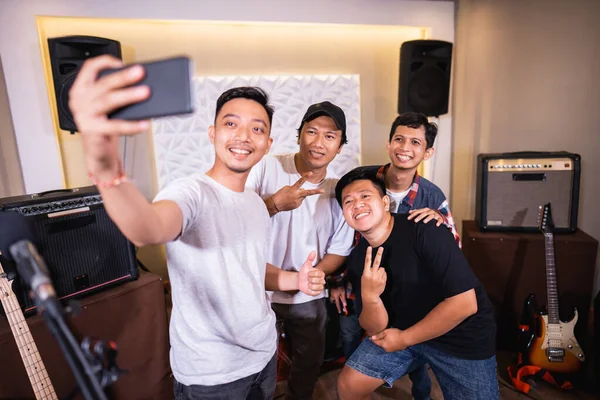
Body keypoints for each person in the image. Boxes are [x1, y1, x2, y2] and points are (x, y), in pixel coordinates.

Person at [68, 55, 326, 400]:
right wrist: (104, 167)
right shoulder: (189, 192)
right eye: (231, 124)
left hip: (262, 357)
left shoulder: (254, 202)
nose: (243, 136)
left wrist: (296, 280)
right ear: (213, 133)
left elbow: (247, 269)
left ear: (268, 144)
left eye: (257, 128)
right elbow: (147, 228)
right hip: (212, 374)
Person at [334, 167, 499, 400]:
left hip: (459, 336)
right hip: (402, 331)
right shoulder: (358, 259)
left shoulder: (425, 229)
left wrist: (404, 339)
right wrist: (371, 297)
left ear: (384, 202)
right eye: (348, 201)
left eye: (365, 196)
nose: (357, 204)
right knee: (349, 384)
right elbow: (374, 329)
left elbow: (465, 304)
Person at [329, 112, 461, 399]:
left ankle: (421, 393)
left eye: (416, 142)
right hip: (358, 286)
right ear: (389, 144)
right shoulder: (361, 181)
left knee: (415, 355)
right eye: (399, 139)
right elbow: (339, 235)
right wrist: (336, 280)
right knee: (352, 336)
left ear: (427, 152)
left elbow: (453, 248)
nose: (405, 147)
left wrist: (438, 221)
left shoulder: (432, 195)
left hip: (409, 294)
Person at [246, 101, 354, 400]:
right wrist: (273, 204)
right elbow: (234, 220)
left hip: (307, 295)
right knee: (257, 363)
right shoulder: (266, 166)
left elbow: (339, 249)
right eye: (312, 132)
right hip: (259, 288)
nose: (319, 143)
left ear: (340, 146)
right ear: (298, 136)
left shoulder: (339, 190)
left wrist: (316, 275)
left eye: (330, 136)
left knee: (308, 364)